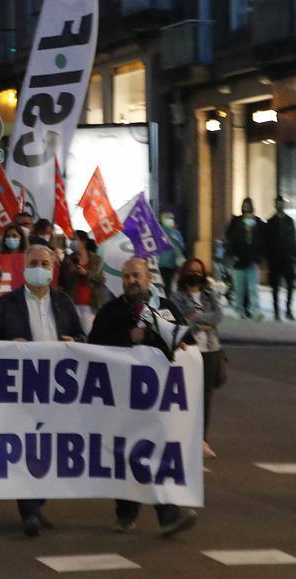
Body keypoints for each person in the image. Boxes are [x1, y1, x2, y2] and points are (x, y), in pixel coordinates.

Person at [87, 257, 198, 536]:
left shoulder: (166, 309)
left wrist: (161, 341)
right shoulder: (111, 312)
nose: (131, 281)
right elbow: (93, 348)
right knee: (128, 455)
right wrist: (128, 339)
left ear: (149, 278)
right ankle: (131, 512)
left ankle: (163, 514)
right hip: (121, 399)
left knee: (150, 453)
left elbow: (186, 345)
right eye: (126, 277)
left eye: (136, 276)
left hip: (158, 400)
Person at [0, 244, 84, 537]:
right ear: (24, 267)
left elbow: (81, 336)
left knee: (51, 449)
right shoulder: (7, 304)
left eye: (45, 263)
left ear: (52, 269)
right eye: (34, 262)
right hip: (21, 389)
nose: (39, 267)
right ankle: (29, 511)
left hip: (57, 389)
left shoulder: (63, 302)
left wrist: (73, 340)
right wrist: (8, 347)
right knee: (26, 448)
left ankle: (37, 503)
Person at [169, 258, 224, 459]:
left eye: (198, 271)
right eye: (191, 271)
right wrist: (202, 323)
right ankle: (184, 438)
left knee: (206, 397)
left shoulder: (209, 295)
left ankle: (203, 439)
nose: (195, 274)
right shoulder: (177, 297)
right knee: (187, 397)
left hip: (211, 350)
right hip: (189, 351)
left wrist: (196, 319)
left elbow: (218, 316)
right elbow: (180, 321)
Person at [59, 231, 109, 334]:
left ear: (83, 242)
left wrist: (86, 273)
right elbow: (62, 281)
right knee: (72, 333)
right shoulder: (68, 259)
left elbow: (101, 278)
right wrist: (70, 271)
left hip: (90, 304)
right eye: (71, 240)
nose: (72, 242)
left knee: (88, 334)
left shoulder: (95, 259)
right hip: (72, 303)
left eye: (75, 240)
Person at [223, 197, 264, 319]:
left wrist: (260, 257)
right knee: (239, 289)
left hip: (252, 261)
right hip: (239, 261)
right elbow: (230, 239)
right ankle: (239, 309)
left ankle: (255, 310)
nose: (246, 208)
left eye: (248, 206)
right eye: (245, 206)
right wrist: (232, 255)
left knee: (253, 288)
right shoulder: (236, 221)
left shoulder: (258, 222)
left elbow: (262, 241)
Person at [265, 195, 296, 321]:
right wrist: (268, 258)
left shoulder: (289, 221)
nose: (280, 205)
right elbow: (267, 241)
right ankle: (276, 311)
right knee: (275, 286)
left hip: (288, 257)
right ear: (275, 205)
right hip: (275, 259)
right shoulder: (271, 222)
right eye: (278, 203)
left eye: (281, 203)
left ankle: (288, 310)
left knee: (290, 285)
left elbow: (294, 240)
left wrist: (295, 256)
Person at [158, 210, 187, 294]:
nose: (170, 220)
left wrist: (177, 241)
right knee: (160, 285)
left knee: (169, 285)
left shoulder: (176, 233)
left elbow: (182, 247)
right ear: (162, 220)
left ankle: (169, 300)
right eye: (167, 218)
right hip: (160, 264)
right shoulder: (158, 232)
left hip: (172, 265)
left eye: (171, 218)